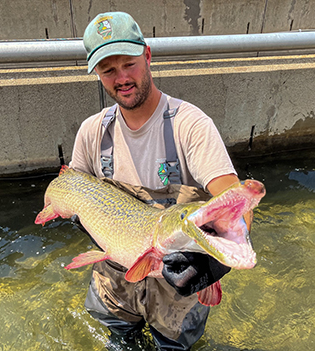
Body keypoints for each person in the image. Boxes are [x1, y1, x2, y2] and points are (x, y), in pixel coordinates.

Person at [70, 11, 251, 351]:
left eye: (129, 64)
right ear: (97, 74)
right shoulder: (92, 132)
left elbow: (233, 201)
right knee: (118, 342)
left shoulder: (191, 125)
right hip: (116, 285)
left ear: (148, 55)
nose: (121, 78)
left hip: (178, 293)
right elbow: (72, 186)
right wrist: (75, 213)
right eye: (108, 69)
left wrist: (212, 263)